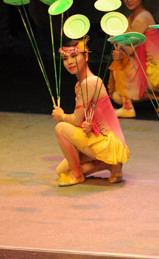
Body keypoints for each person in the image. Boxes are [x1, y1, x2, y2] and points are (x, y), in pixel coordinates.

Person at [52, 36, 129, 187]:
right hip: (99, 138)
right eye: (65, 58)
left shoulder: (89, 83)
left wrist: (61, 116)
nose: (69, 62)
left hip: (108, 142)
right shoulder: (81, 84)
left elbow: (74, 120)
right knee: (61, 171)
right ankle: (111, 165)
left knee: (60, 128)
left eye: (74, 56)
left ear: (85, 57)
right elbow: (82, 120)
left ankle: (77, 175)